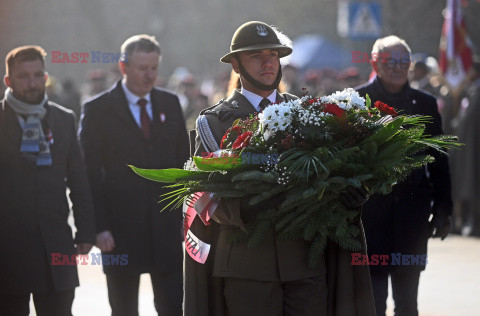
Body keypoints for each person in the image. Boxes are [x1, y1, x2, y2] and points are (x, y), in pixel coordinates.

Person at [185, 21, 376, 316]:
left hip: (306, 265)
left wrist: (348, 196)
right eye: (255, 56)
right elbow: (206, 196)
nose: (267, 63)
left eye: (272, 55)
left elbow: (330, 174)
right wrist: (250, 207)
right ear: (236, 64)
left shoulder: (307, 112)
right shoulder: (214, 122)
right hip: (248, 268)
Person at [79, 35, 189, 316]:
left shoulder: (170, 103)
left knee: (173, 306)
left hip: (166, 227)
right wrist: (99, 226)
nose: (149, 75)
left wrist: (185, 217)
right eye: (142, 67)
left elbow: (183, 165)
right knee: (124, 308)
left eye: (154, 67)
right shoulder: (97, 110)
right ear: (123, 66)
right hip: (118, 231)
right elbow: (89, 173)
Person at [356, 35, 453, 316]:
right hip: (370, 215)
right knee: (373, 302)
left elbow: (438, 159)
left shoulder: (425, 103)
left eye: (403, 61)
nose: (398, 67)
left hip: (412, 215)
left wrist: (445, 209)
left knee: (408, 303)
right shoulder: (358, 99)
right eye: (390, 61)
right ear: (375, 62)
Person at [0, 45, 95, 315]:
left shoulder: (64, 119)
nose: (32, 83)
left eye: (38, 75)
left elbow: (79, 180)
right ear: (9, 81)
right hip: (7, 250)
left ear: (46, 77)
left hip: (55, 246)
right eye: (23, 76)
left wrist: (86, 231)